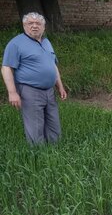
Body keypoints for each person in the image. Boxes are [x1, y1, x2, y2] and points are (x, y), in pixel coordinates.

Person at [1, 12, 67, 145]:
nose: (34, 26)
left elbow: (52, 65)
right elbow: (6, 68)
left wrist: (60, 86)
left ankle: (55, 152)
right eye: (30, 23)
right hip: (30, 91)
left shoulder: (46, 42)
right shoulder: (16, 44)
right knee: (35, 127)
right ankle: (38, 157)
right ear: (24, 25)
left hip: (49, 91)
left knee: (54, 125)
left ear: (43, 27)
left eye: (38, 23)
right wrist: (12, 92)